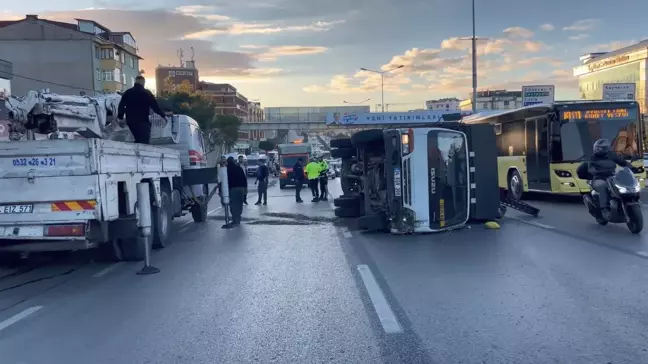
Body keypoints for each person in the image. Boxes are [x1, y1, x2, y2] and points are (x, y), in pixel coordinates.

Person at [577, 138, 632, 221]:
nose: (597, 150)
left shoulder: (611, 155)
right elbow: (590, 168)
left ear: (606, 149)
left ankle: (630, 200)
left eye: (600, 148)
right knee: (603, 187)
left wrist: (631, 167)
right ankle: (604, 209)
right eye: (596, 148)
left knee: (624, 184)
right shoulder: (592, 158)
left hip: (613, 177)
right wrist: (596, 172)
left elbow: (622, 162)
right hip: (599, 179)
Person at [117, 75, 167, 144]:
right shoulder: (147, 93)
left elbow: (121, 105)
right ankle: (141, 152)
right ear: (143, 82)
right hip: (143, 121)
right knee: (144, 142)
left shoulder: (128, 92)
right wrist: (163, 115)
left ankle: (136, 150)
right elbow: (155, 107)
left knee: (138, 138)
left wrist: (120, 117)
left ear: (135, 82)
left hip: (131, 121)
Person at [225, 156, 247, 227]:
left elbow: (225, 181)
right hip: (241, 189)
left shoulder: (227, 169)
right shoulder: (239, 168)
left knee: (233, 205)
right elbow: (244, 179)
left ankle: (235, 220)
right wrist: (245, 188)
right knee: (239, 204)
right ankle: (238, 219)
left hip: (233, 189)